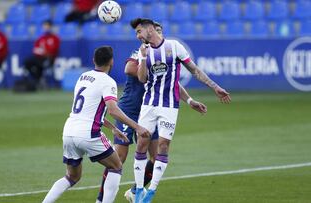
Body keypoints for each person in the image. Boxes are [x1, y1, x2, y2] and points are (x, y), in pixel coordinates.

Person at [95, 22, 208, 203]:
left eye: (160, 30)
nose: (158, 33)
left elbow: (174, 85)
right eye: (156, 30)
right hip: (130, 110)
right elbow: (128, 69)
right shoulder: (140, 53)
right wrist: (145, 62)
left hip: (152, 111)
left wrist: (189, 100)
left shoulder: (163, 54)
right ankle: (101, 199)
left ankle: (134, 192)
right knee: (119, 157)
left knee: (156, 158)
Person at [130, 18, 231, 203]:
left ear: (150, 29)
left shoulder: (174, 47)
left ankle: (150, 192)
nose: (137, 36)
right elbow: (142, 79)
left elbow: (194, 70)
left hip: (169, 105)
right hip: (149, 105)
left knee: (163, 146)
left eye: (139, 31)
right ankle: (137, 192)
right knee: (141, 144)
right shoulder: (142, 52)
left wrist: (214, 87)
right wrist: (143, 57)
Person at [42, 46, 151, 203]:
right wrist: (137, 127)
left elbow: (89, 111)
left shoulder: (83, 77)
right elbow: (113, 110)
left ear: (94, 60)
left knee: (71, 177)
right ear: (111, 62)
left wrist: (113, 128)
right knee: (116, 166)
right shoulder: (108, 82)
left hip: (69, 130)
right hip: (88, 133)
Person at [23, 20, 60, 86]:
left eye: (47, 26)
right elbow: (35, 49)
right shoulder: (41, 38)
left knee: (41, 65)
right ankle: (38, 79)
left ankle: (39, 80)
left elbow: (53, 50)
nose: (46, 28)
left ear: (50, 27)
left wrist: (45, 52)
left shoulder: (55, 38)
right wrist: (42, 51)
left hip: (49, 58)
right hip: (39, 57)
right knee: (27, 62)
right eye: (44, 26)